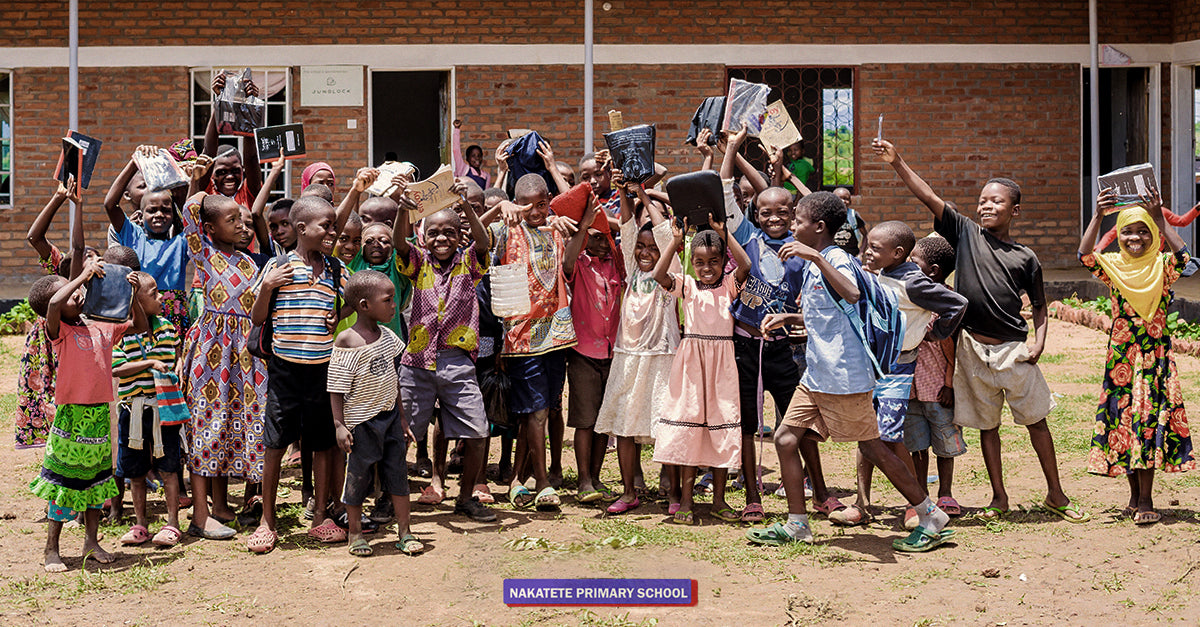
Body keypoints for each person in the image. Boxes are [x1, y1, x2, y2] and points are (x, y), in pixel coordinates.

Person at [874, 138, 1089, 524]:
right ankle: (999, 497)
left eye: (997, 201)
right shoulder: (966, 234)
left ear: (1015, 210)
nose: (987, 205)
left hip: (1013, 350)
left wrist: (1039, 343)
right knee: (988, 428)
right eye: (983, 200)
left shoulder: (1026, 257)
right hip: (973, 349)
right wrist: (898, 162)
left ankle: (1056, 494)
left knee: (1036, 421)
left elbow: (1039, 306)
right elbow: (930, 197)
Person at [748, 192, 951, 551]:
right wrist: (790, 317)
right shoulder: (817, 261)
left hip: (843, 377)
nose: (793, 225)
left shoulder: (835, 257)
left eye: (798, 220)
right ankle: (797, 524)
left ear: (820, 228)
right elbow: (833, 312)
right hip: (817, 375)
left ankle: (929, 515)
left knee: (875, 449)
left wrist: (814, 256)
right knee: (784, 438)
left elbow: (852, 293)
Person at [840, 222, 967, 529]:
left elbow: (958, 304)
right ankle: (862, 502)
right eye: (867, 246)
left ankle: (917, 504)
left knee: (890, 434)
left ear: (898, 254)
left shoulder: (913, 281)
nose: (867, 252)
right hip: (873, 362)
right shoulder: (885, 271)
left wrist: (935, 332)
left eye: (875, 248)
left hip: (898, 366)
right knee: (865, 430)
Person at [1081, 188, 1194, 524]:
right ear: (1119, 237)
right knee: (1126, 423)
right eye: (1128, 230)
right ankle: (1133, 497)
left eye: (1143, 231)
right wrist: (1099, 216)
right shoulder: (1113, 267)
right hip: (1121, 360)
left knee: (1147, 424)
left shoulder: (1162, 267)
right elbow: (1085, 255)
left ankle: (1146, 500)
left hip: (1154, 358)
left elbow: (1184, 257)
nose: (1135, 237)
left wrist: (1158, 215)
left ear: (1153, 235)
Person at [30, 248, 148, 572]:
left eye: (79, 291)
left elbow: (139, 324)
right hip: (71, 417)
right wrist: (82, 275)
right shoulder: (60, 332)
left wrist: (133, 292)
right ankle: (51, 548)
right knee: (63, 483)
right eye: (72, 293)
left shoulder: (101, 326)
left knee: (97, 483)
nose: (78, 296)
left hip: (99, 416)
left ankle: (91, 541)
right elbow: (55, 304)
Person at [249, 196, 352, 553]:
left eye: (334, 225)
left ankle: (320, 515)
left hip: (323, 371)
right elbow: (258, 318)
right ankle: (267, 520)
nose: (332, 231)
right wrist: (267, 286)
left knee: (323, 444)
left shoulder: (336, 269)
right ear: (302, 229)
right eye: (326, 225)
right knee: (276, 445)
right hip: (284, 371)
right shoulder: (279, 268)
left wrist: (338, 315)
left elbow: (354, 295)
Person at [394, 190, 498, 523]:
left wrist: (466, 206)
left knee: (478, 431)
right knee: (401, 434)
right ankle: (388, 498)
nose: (441, 238)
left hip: (457, 362)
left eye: (449, 232)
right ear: (423, 237)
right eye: (434, 232)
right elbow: (399, 244)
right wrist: (401, 210)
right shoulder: (418, 260)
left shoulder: (469, 263)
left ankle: (466, 498)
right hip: (417, 363)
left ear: (459, 235)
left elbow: (483, 245)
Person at [178, 187, 269, 541]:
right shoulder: (205, 253)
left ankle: (222, 506)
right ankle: (200, 516)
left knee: (240, 423)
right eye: (232, 220)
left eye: (244, 221)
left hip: (246, 358)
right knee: (207, 425)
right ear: (211, 229)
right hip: (212, 356)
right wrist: (201, 185)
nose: (243, 227)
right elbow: (189, 212)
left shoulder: (250, 261)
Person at [651, 214, 750, 526]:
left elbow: (745, 265)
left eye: (714, 261)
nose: (707, 268)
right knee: (691, 431)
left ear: (723, 261)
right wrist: (676, 243)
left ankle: (719, 500)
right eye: (699, 262)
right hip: (692, 365)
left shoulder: (731, 284)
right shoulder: (688, 285)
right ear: (691, 261)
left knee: (721, 428)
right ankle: (686, 501)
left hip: (722, 366)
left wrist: (725, 232)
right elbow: (658, 274)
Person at [490, 174, 577, 510]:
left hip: (555, 335)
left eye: (541, 204)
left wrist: (572, 226)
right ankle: (541, 482)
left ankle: (517, 477)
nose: (535, 212)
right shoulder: (506, 230)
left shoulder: (557, 228)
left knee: (539, 411)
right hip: (521, 337)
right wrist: (501, 206)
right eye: (527, 205)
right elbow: (478, 241)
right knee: (535, 411)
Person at [595, 177, 679, 514]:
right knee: (624, 425)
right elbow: (629, 227)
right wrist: (622, 193)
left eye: (652, 249)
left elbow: (663, 235)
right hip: (628, 355)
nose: (645, 253)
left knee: (665, 426)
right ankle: (629, 491)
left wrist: (642, 194)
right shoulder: (631, 268)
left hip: (661, 354)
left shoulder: (670, 271)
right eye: (641, 249)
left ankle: (673, 494)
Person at [330, 270, 423, 556]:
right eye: (389, 300)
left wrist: (403, 418)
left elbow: (393, 380)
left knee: (398, 475)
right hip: (361, 423)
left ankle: (405, 531)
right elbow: (335, 388)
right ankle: (355, 534)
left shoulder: (388, 337)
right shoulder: (346, 341)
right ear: (364, 305)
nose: (394, 306)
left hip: (391, 418)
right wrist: (339, 425)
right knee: (358, 478)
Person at [558, 184, 624, 505]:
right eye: (592, 238)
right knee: (584, 420)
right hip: (584, 353)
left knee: (603, 421)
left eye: (604, 237)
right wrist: (583, 225)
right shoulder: (580, 264)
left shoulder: (617, 266)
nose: (599, 243)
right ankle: (583, 479)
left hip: (613, 353)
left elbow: (627, 232)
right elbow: (567, 263)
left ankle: (596, 477)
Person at [113, 273, 184, 548]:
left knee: (169, 468)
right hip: (133, 411)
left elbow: (176, 351)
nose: (161, 297)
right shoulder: (122, 332)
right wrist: (150, 363)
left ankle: (173, 523)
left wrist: (178, 363)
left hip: (164, 410)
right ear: (135, 301)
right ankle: (141, 523)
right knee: (136, 471)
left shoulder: (167, 327)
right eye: (153, 294)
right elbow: (116, 368)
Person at [17, 181, 88, 450]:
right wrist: (60, 198)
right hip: (48, 346)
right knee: (44, 393)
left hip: (75, 350)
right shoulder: (60, 273)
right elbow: (35, 237)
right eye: (83, 260)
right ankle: (52, 451)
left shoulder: (90, 287)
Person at [903, 236, 968, 516]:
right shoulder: (909, 293)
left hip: (938, 385)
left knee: (944, 443)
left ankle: (946, 493)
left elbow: (953, 348)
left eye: (913, 261)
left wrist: (950, 384)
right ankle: (921, 495)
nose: (907, 265)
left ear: (934, 271)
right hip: (911, 386)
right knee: (917, 444)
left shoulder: (944, 298)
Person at [104, 146, 192, 333]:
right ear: (141, 214)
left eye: (166, 210)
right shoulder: (133, 236)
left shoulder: (181, 243)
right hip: (138, 312)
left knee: (171, 359)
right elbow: (110, 204)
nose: (159, 214)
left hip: (174, 317)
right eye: (152, 210)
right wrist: (135, 162)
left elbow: (192, 217)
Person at [451, 119, 491, 189]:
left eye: (479, 155)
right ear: (467, 159)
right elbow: (456, 150)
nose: (477, 158)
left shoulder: (486, 176)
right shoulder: (463, 170)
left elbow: (486, 195)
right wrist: (456, 129)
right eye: (473, 156)